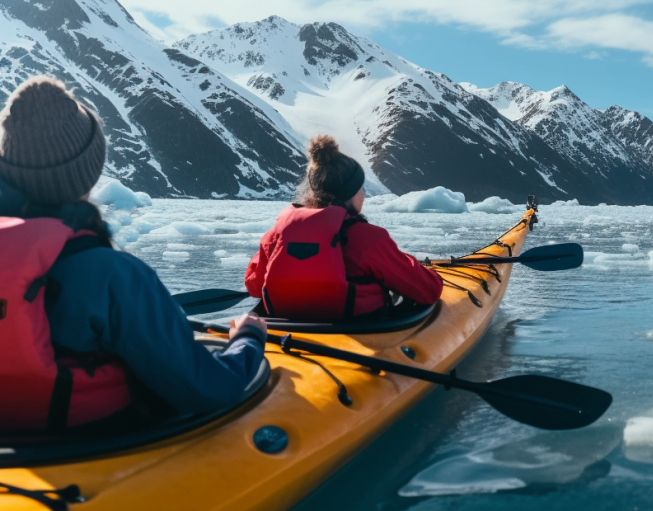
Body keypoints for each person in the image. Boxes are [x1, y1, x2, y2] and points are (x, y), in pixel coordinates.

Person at [0, 77, 268, 431]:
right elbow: (209, 389)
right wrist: (247, 340)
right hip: (96, 443)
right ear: (87, 173)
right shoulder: (115, 276)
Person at [245, 136, 442, 321]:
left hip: (289, 330)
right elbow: (428, 289)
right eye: (360, 188)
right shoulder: (369, 239)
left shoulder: (276, 236)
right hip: (360, 330)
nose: (364, 195)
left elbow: (254, 286)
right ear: (349, 193)